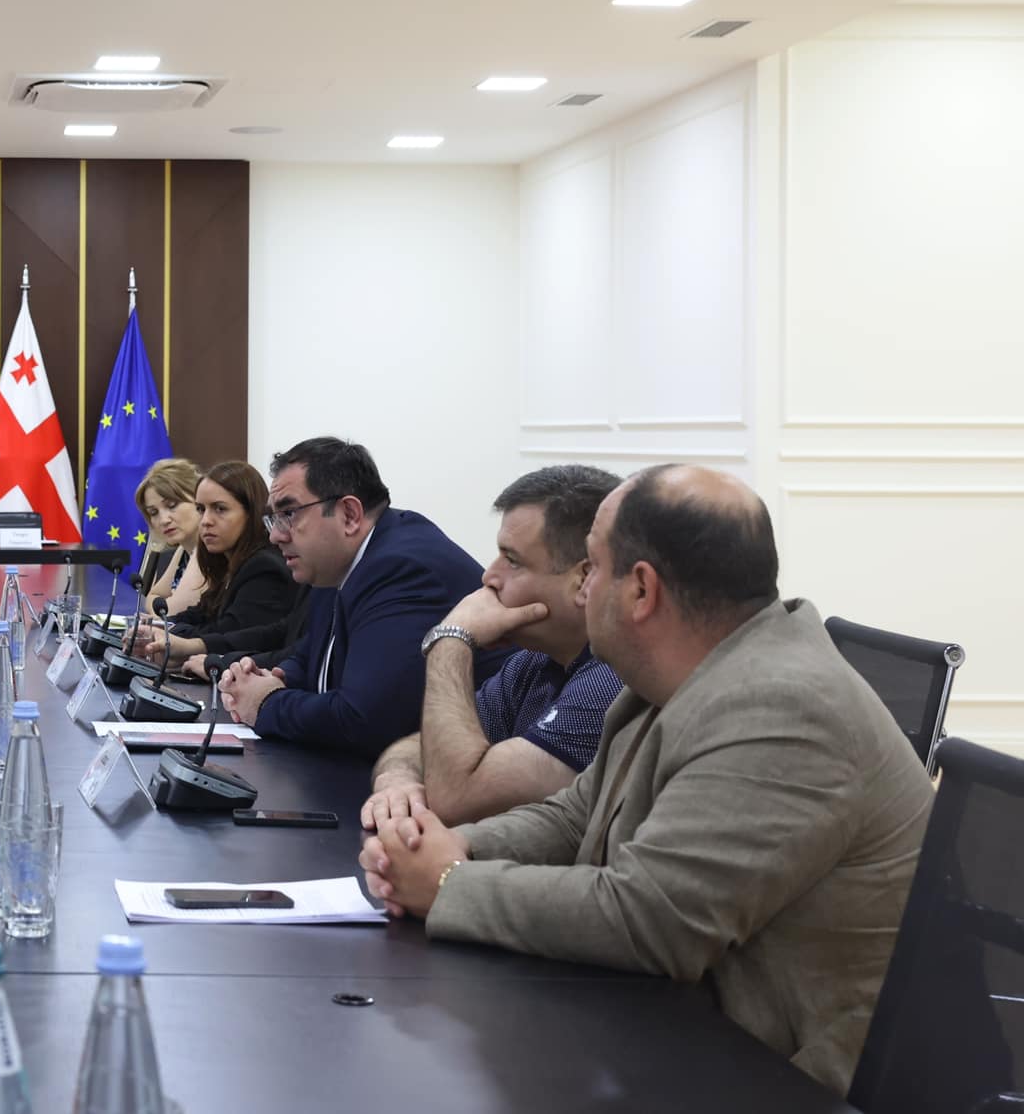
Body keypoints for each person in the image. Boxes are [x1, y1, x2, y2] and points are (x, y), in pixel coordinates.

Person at [361, 465, 934, 1096]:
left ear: (640, 590)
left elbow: (652, 920)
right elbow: (576, 815)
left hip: (789, 1079)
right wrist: (449, 847)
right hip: (687, 1030)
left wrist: (449, 884)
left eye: (595, 569)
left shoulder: (781, 705)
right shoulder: (680, 676)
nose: (584, 591)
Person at [362, 465, 623, 828]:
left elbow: (458, 799)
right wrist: (398, 779)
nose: (489, 576)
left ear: (584, 579)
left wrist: (450, 640)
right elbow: (418, 747)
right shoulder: (532, 663)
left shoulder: (613, 682)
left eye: (512, 560)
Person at [217, 437, 503, 755]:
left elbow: (365, 719)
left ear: (350, 514)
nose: (275, 535)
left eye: (289, 514)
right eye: (274, 518)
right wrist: (274, 679)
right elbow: (312, 656)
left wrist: (267, 703)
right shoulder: (336, 565)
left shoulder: (402, 568)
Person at [132, 461, 297, 666]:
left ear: (251, 512)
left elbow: (228, 632)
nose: (205, 521)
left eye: (220, 509)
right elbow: (200, 613)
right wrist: (156, 628)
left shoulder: (264, 567)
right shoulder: (226, 560)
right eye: (201, 509)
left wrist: (165, 632)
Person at [134, 458, 206, 617]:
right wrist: (162, 612)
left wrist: (161, 614)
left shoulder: (208, 549)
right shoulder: (183, 549)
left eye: (172, 505)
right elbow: (153, 597)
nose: (164, 520)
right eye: (154, 513)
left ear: (199, 500)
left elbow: (173, 611)